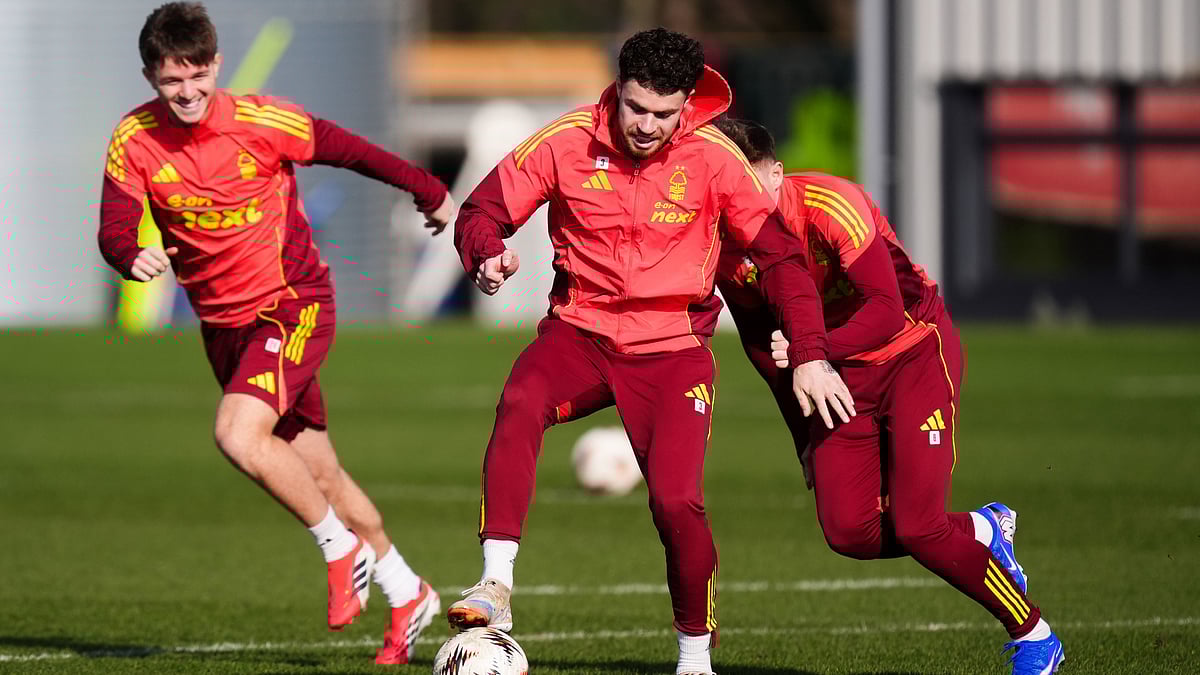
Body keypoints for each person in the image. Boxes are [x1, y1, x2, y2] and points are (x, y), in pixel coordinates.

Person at [447, 28, 854, 675]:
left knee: (675, 501)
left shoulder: (715, 159)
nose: (647, 125)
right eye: (637, 108)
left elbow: (781, 255)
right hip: (578, 335)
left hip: (672, 350)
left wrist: (809, 349)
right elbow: (482, 210)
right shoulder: (566, 140)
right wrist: (485, 253)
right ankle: (495, 585)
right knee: (520, 399)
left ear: (687, 105)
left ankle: (695, 657)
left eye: (664, 115)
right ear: (619, 91)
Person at [96, 2, 450, 665]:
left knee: (237, 433)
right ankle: (409, 591)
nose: (188, 92)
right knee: (322, 473)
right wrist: (128, 254)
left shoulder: (263, 120)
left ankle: (339, 550)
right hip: (224, 329)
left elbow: (355, 151)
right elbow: (114, 225)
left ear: (216, 65)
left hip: (292, 305)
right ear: (150, 77)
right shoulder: (134, 139)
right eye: (172, 80)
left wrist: (428, 189)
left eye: (198, 75)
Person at [712, 118, 1065, 675]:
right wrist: (802, 435)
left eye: (750, 182)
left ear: (776, 171)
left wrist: (809, 348)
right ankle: (983, 529)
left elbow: (884, 312)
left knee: (919, 525)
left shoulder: (832, 205)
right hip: (834, 375)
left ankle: (1034, 634)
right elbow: (761, 346)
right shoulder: (730, 245)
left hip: (914, 354)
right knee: (847, 532)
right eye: (726, 186)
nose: (741, 200)